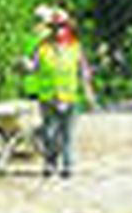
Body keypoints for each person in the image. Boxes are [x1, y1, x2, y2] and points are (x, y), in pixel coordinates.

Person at [31, 9, 97, 178]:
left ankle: (68, 166)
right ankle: (50, 163)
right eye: (54, 27)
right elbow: (34, 66)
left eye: (61, 26)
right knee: (50, 134)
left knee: (67, 135)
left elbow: (84, 71)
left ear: (68, 28)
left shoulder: (75, 48)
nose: (58, 30)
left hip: (69, 97)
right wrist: (25, 66)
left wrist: (89, 94)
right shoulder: (42, 48)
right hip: (48, 97)